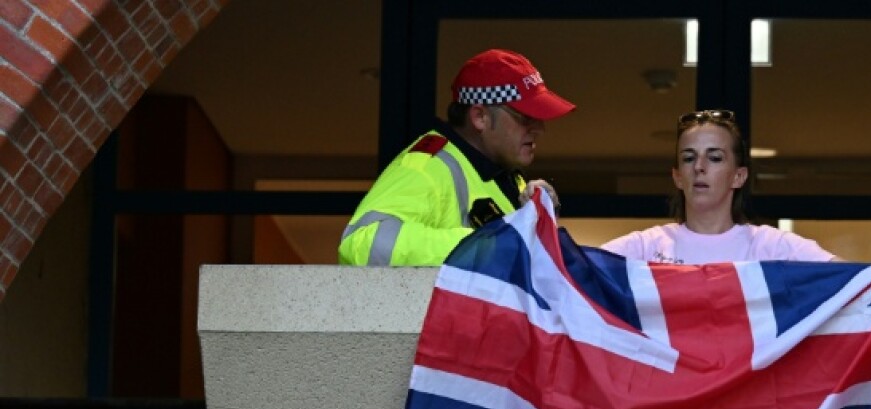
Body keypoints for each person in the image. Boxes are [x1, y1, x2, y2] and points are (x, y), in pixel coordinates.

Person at [338, 49, 575, 267]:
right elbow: (363, 243)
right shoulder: (428, 165)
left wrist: (539, 225)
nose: (539, 129)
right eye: (525, 117)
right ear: (480, 117)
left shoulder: (507, 177)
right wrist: (491, 244)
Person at [601, 109, 841, 264]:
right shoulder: (644, 248)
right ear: (677, 176)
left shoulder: (773, 247)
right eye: (688, 158)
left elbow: (856, 284)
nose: (699, 167)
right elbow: (572, 276)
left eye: (714, 157)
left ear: (739, 176)